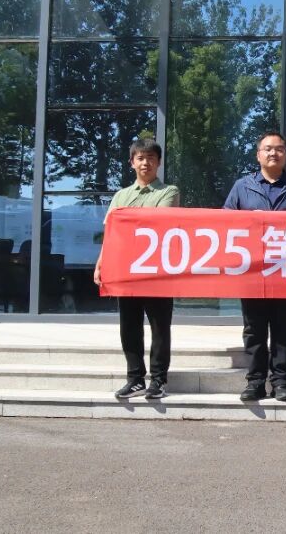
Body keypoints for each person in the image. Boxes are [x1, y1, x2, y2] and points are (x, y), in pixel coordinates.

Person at [224, 131, 286, 403]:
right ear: (258, 154)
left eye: (279, 149)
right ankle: (255, 381)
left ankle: (282, 381)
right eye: (268, 149)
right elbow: (225, 222)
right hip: (252, 270)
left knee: (284, 328)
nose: (274, 153)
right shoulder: (242, 187)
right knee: (254, 328)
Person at [95, 138, 180, 401]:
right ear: (132, 162)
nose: (146, 163)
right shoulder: (120, 195)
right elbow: (112, 232)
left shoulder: (168, 191)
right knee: (129, 326)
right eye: (140, 158)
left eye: (151, 158)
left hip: (157, 271)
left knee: (159, 327)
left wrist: (128, 218)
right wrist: (101, 263)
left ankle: (158, 380)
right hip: (125, 269)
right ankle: (134, 379)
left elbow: (157, 223)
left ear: (159, 162)